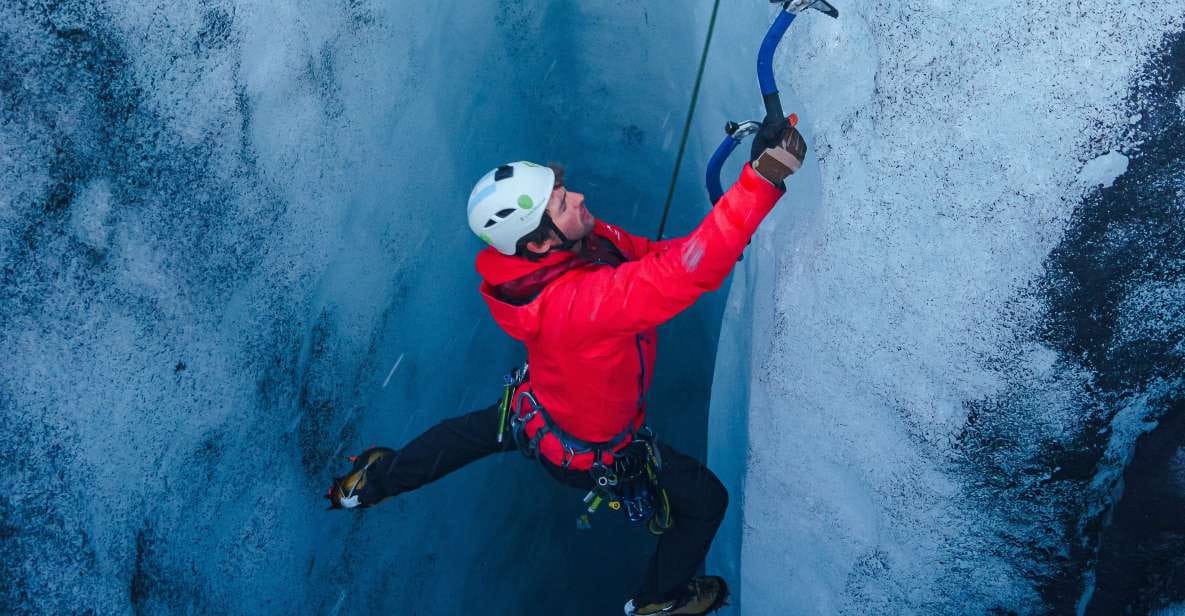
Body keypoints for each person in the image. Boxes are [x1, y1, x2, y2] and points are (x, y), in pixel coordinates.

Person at [326, 116, 807, 615]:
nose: (576, 197)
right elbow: (681, 275)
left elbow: (661, 259)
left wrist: (731, 228)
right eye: (561, 201)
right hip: (592, 452)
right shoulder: (577, 304)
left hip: (535, 405)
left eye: (562, 190)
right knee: (707, 502)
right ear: (538, 242)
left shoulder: (579, 244)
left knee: (464, 437)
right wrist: (763, 179)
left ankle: (373, 482)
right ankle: (656, 600)